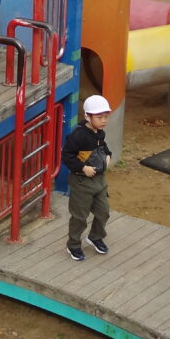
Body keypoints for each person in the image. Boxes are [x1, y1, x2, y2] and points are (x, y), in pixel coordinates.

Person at [63, 95, 113, 261]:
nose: (104, 120)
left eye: (106, 116)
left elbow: (103, 147)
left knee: (103, 212)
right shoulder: (78, 136)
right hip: (82, 183)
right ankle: (73, 245)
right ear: (88, 116)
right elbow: (67, 156)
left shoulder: (100, 132)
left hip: (99, 181)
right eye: (99, 117)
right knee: (79, 217)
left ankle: (95, 237)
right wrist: (83, 168)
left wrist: (108, 155)